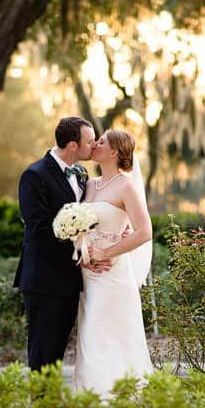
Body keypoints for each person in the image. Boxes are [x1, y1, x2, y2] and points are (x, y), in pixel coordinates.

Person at [14, 116, 109, 371]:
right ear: (72, 145)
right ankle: (40, 406)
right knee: (42, 347)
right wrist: (80, 248)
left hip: (70, 278)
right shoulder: (34, 175)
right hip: (43, 277)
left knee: (58, 348)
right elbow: (39, 227)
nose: (95, 145)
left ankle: (52, 404)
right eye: (90, 141)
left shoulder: (81, 174)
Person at [72, 128, 153, 394]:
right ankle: (90, 402)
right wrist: (84, 253)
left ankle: (121, 400)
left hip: (114, 275)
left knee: (111, 336)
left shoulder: (126, 186)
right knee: (89, 338)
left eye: (102, 141)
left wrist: (107, 253)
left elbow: (144, 232)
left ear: (115, 152)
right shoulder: (90, 184)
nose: (95, 143)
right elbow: (82, 227)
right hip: (89, 274)